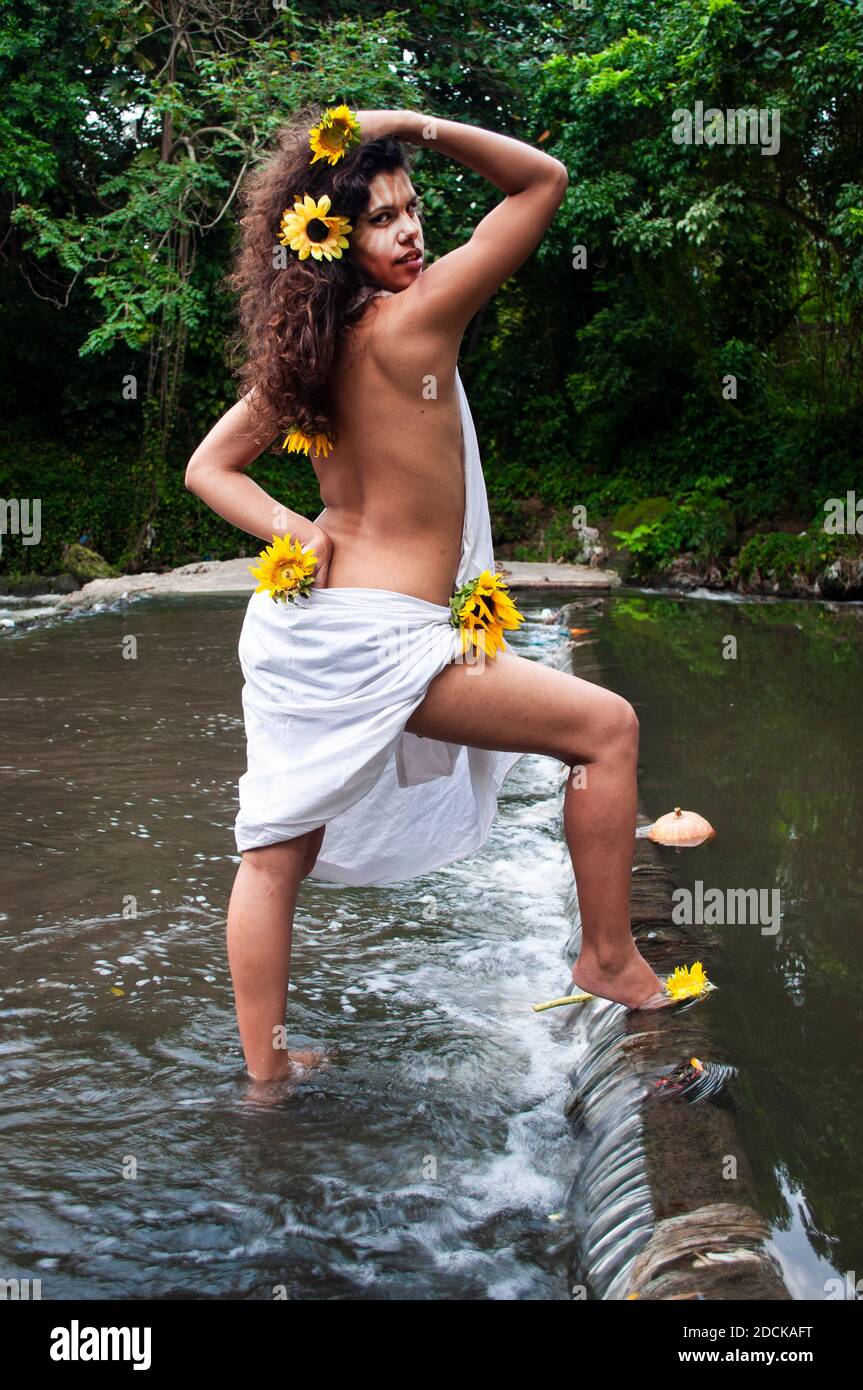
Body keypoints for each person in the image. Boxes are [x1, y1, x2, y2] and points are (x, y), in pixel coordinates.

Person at [186, 104, 674, 1085]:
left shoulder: (303, 355)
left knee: (274, 848)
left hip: (298, 630)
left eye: (412, 210)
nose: (409, 232)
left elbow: (209, 469)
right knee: (605, 730)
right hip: (383, 635)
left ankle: (264, 1076)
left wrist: (296, 529)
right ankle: (606, 956)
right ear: (333, 240)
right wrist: (416, 124)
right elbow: (541, 180)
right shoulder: (421, 316)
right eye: (378, 218)